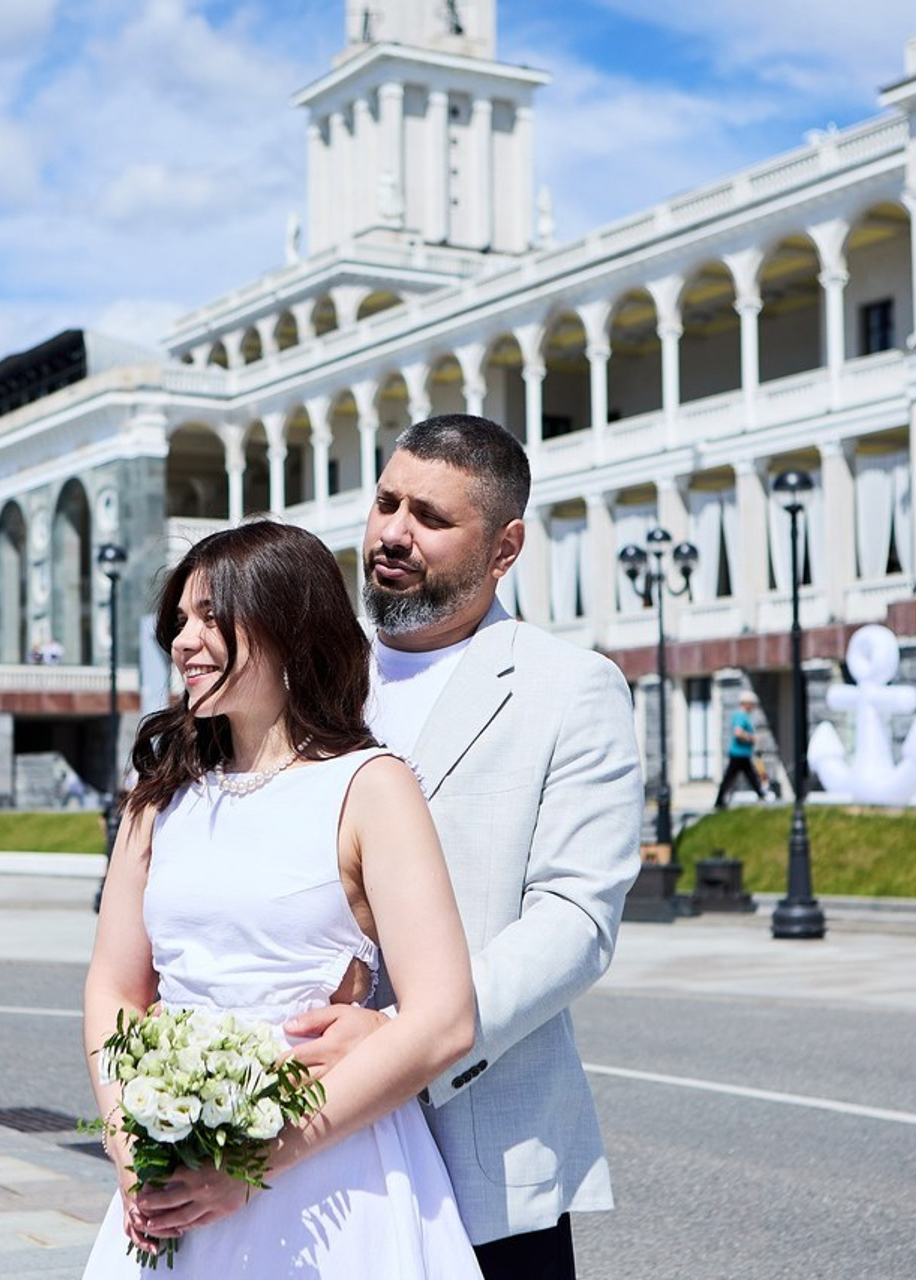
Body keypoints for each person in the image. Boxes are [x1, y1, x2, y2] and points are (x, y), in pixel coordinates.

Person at [285, 414, 643, 1280]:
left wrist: (403, 1038)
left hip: (478, 1157)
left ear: (504, 547)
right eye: (385, 503)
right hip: (303, 1147)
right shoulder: (311, 684)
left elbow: (573, 922)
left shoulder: (571, 689)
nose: (392, 534)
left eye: (432, 519)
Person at [81, 521, 482, 1278]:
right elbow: (113, 986)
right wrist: (128, 1145)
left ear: (286, 628)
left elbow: (443, 1018)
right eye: (180, 620)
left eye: (210, 617)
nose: (183, 642)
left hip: (331, 1170)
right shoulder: (158, 797)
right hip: (171, 1176)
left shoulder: (370, 788)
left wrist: (252, 1162)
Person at [715, 691, 765, 809]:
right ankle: (719, 801)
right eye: (751, 704)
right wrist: (751, 738)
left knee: (750, 775)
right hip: (738, 753)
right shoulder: (740, 715)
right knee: (731, 777)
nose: (753, 707)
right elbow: (738, 732)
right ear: (745, 703)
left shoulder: (744, 716)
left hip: (743, 753)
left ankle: (761, 794)